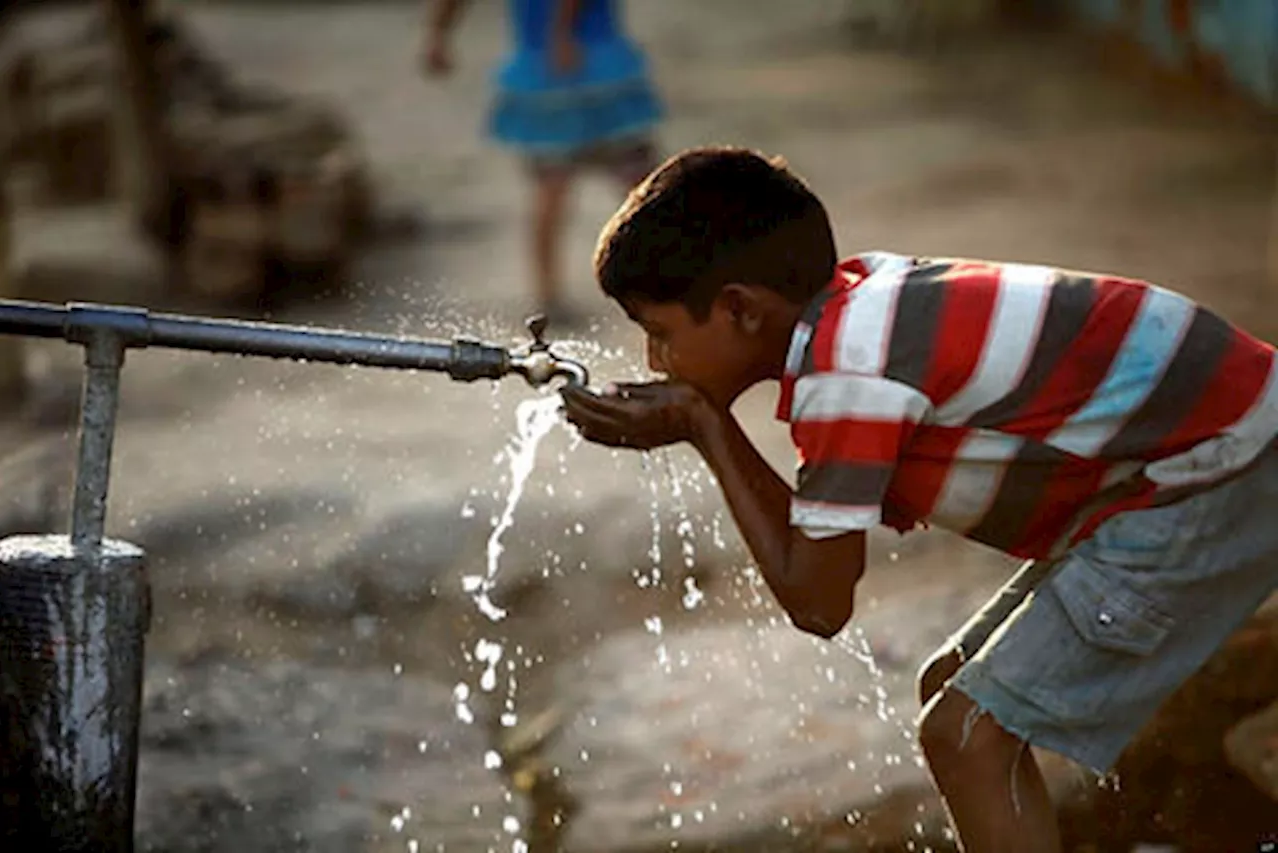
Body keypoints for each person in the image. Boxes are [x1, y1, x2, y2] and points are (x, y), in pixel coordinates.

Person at [560, 145, 1278, 853]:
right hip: (1202, 451)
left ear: (741, 309)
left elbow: (818, 599)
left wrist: (705, 428)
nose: (655, 360)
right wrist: (703, 422)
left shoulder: (849, 373)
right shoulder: (856, 308)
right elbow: (816, 559)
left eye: (660, 333)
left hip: (1223, 467)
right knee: (953, 690)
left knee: (967, 735)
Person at [423, 0, 664, 325]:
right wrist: (561, 34)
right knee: (640, 186)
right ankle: (670, 277)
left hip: (555, 68)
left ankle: (550, 296)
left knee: (562, 187)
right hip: (588, 65)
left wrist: (438, 35)